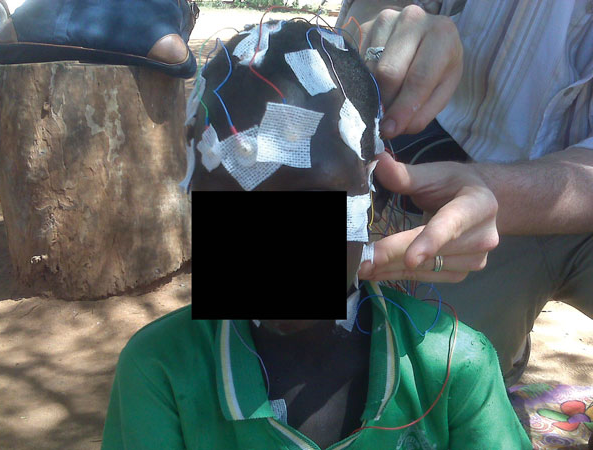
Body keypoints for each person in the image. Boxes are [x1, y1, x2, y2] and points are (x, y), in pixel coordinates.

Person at [101, 20, 530, 449]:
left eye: (309, 196)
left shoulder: (455, 364)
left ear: (374, 192)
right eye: (228, 199)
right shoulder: (160, 369)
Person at [340, 0, 593, 386]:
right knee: (419, 374)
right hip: (441, 156)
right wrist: (386, 35)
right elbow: (364, 19)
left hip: (541, 195)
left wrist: (495, 190)